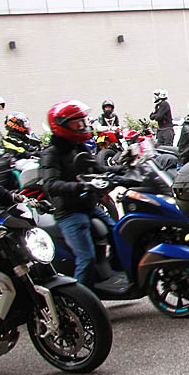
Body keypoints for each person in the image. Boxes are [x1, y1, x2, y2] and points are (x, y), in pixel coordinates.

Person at [40, 101, 119, 286]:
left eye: (83, 122)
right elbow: (50, 184)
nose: (83, 126)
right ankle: (81, 302)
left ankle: (116, 274)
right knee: (86, 257)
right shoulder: (52, 153)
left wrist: (124, 169)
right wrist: (81, 186)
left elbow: (97, 168)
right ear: (62, 125)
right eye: (77, 123)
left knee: (118, 233)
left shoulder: (79, 147)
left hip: (89, 207)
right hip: (69, 213)